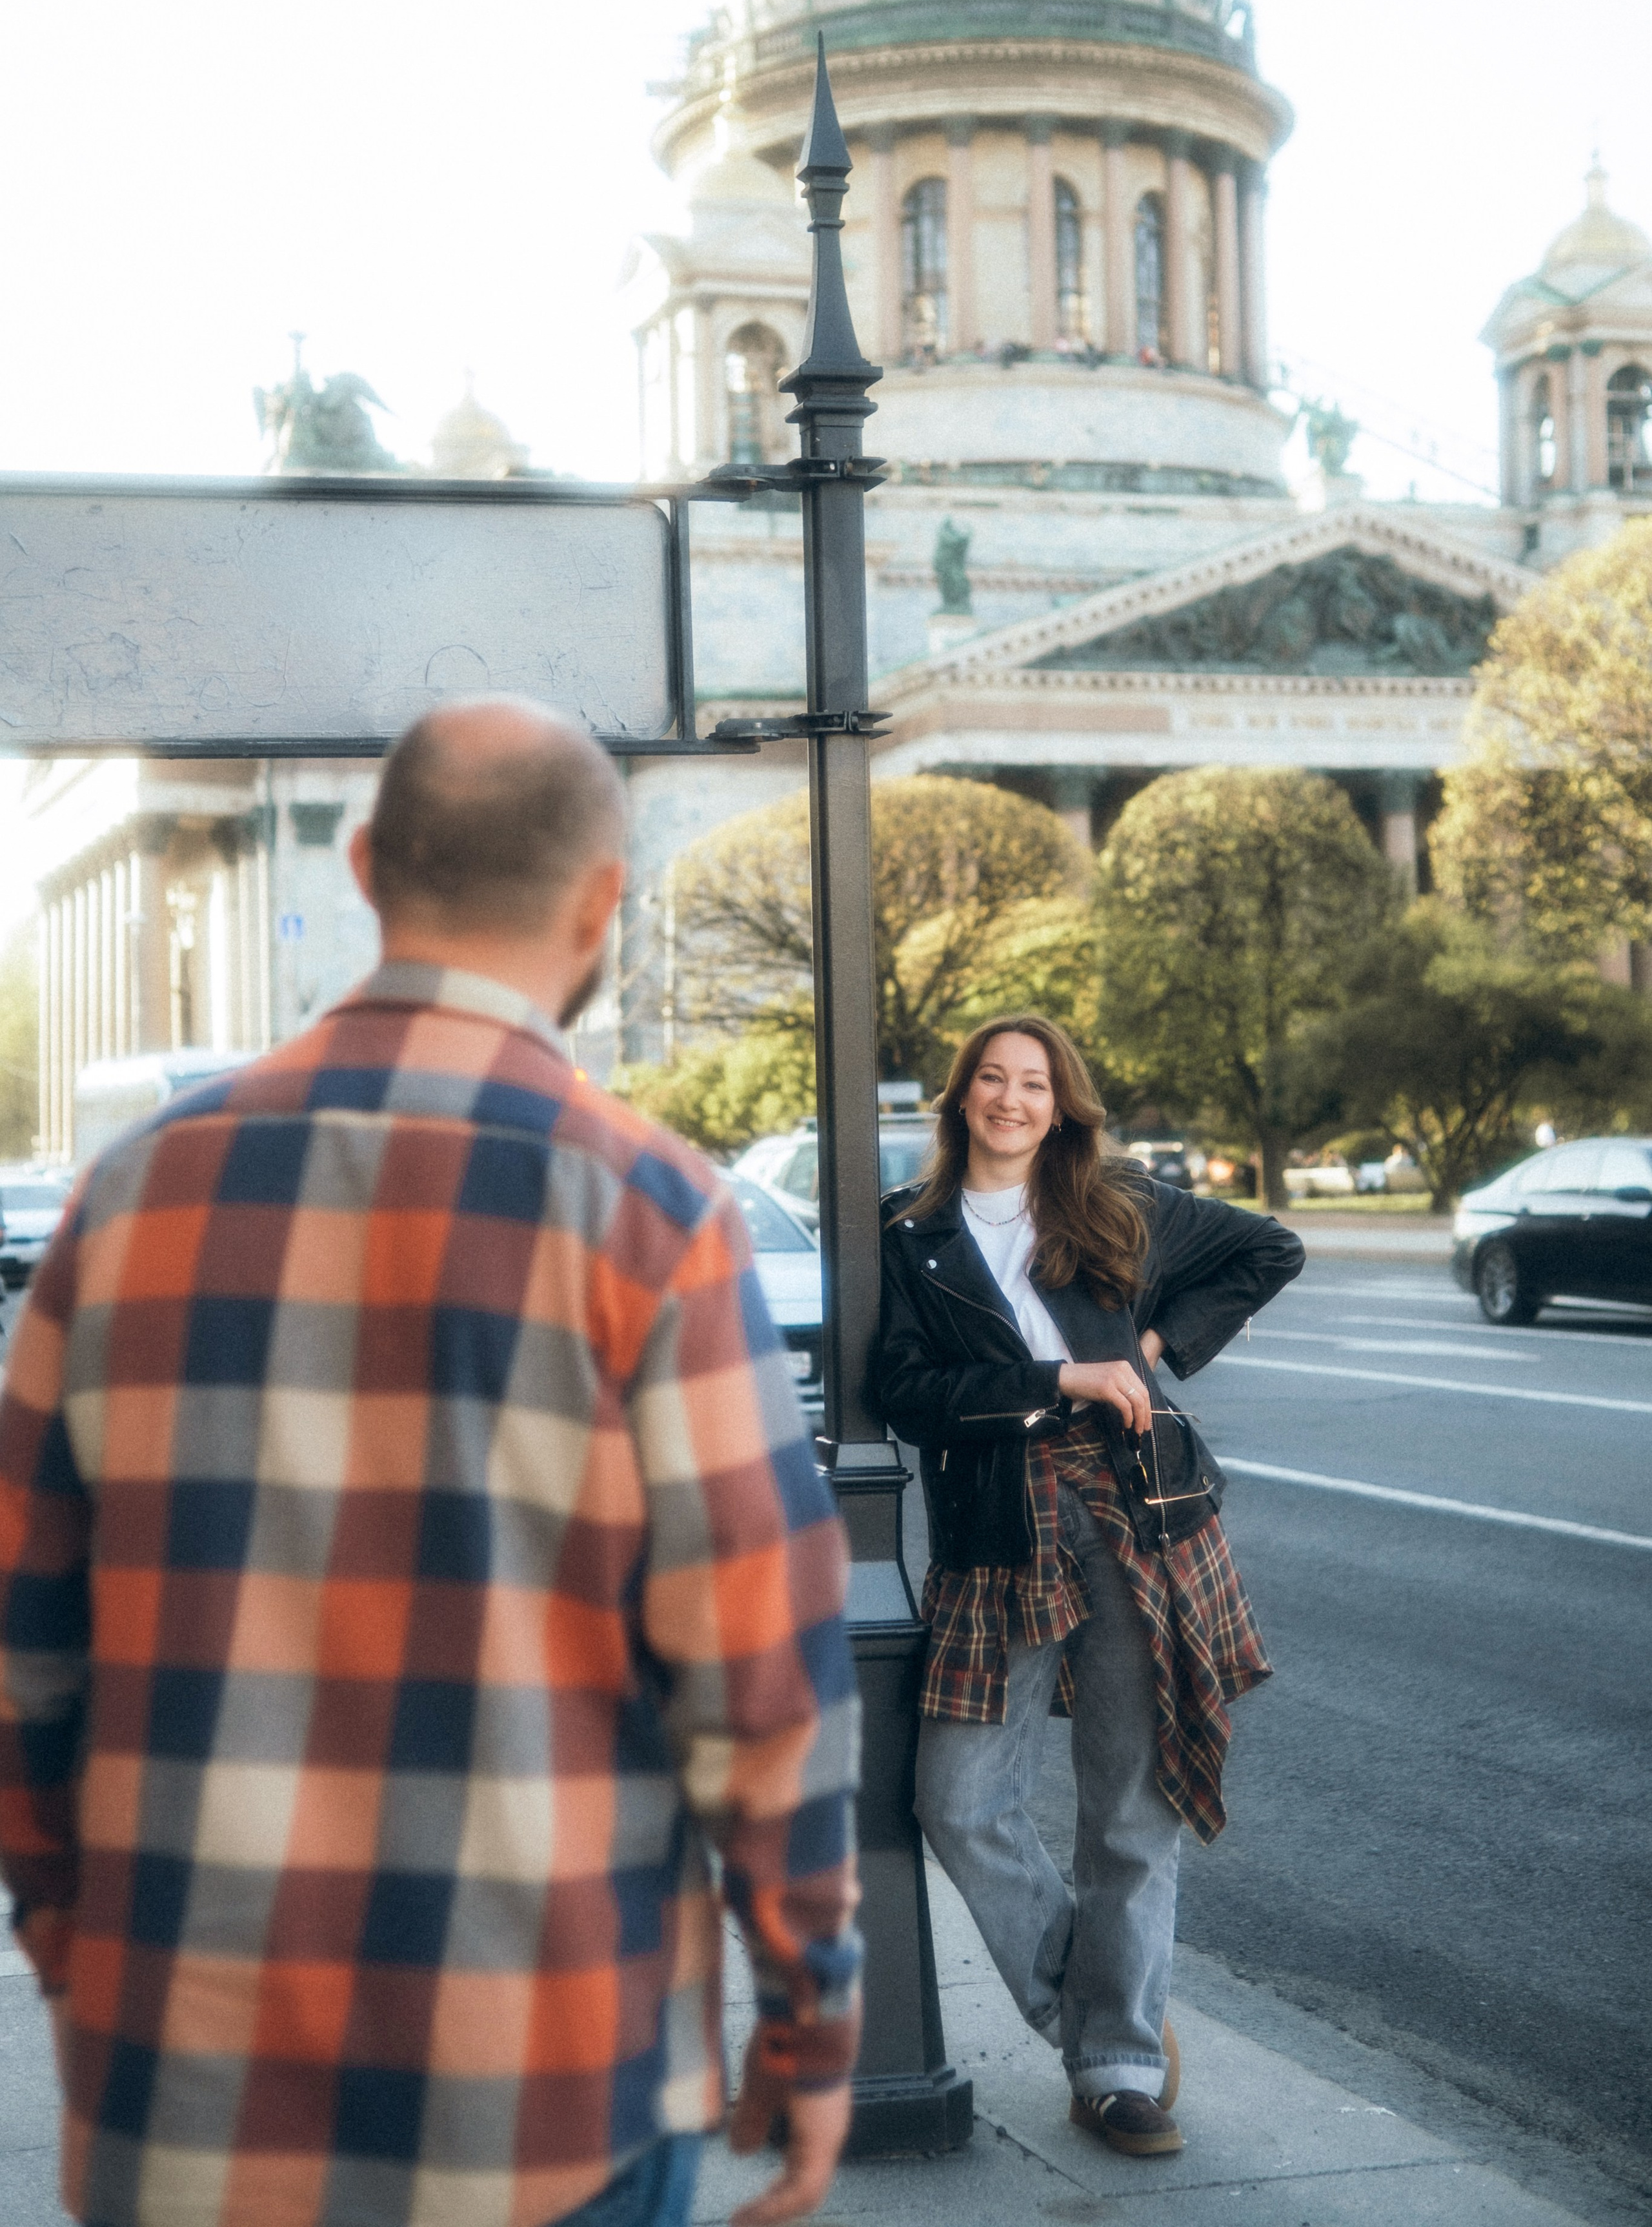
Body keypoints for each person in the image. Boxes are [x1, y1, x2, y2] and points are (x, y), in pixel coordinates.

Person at [0, 697, 861, 2227]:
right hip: (544, 2089)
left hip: (184, 2082)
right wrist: (808, 2016)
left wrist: (73, 1946)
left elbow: (24, 1653)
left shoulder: (125, 1203)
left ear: (362, 866)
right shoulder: (652, 1214)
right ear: (602, 900)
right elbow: (763, 1681)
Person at [878, 1015, 1301, 2160]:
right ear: (961, 1097)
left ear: (1061, 1105)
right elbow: (905, 1388)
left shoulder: (1116, 1202)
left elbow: (1270, 1247)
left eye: (1036, 1085)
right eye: (993, 1080)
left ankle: (1116, 2071)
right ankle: (1098, 2016)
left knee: (1130, 1803)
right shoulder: (905, 1235)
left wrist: (1159, 1349)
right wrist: (1055, 1375)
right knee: (955, 1798)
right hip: (997, 1527)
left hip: (1134, 1511)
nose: (1013, 1101)